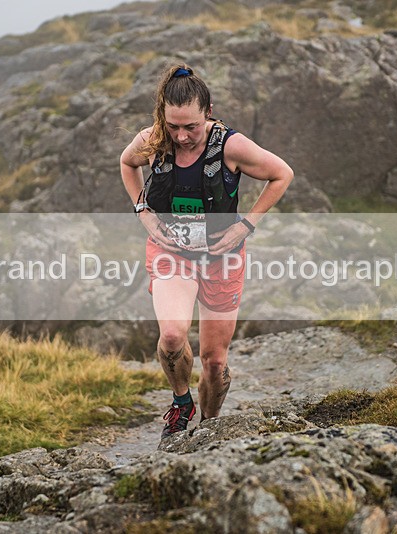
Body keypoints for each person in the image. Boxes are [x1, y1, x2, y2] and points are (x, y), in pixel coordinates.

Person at [119, 64, 293, 439]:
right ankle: (181, 404)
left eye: (191, 127)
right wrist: (144, 212)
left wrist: (246, 225)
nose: (181, 136)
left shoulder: (232, 146)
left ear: (208, 112)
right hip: (172, 254)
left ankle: (210, 424)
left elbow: (282, 174)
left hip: (221, 259)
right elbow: (127, 163)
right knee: (171, 337)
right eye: (173, 126)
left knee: (215, 362)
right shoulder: (152, 139)